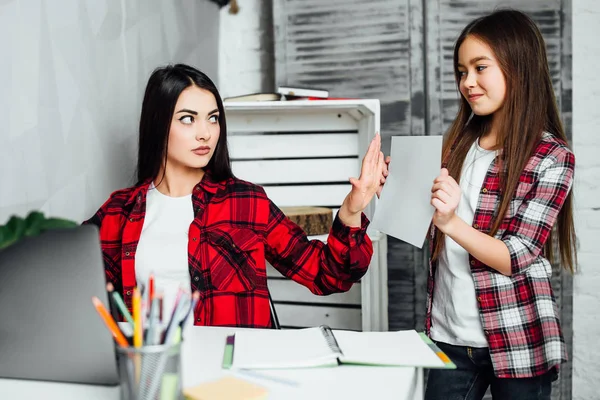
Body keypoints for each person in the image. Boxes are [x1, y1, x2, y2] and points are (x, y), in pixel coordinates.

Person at [85, 63, 388, 328]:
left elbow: (327, 275)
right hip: (153, 374)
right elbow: (70, 287)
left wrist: (350, 211)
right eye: (188, 119)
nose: (205, 133)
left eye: (213, 118)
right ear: (158, 124)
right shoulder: (118, 212)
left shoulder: (247, 202)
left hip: (232, 375)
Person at [422, 9, 576, 400]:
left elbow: (517, 256)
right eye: (461, 71)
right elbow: (423, 223)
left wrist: (451, 221)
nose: (467, 83)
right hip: (449, 336)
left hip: (516, 336)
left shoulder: (551, 157)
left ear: (518, 68)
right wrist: (394, 188)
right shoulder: (455, 145)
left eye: (480, 68)